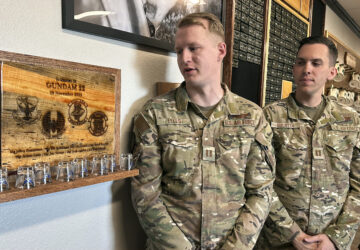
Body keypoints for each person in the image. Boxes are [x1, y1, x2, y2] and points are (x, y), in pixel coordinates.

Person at [131, 12, 275, 249]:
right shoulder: (154, 114)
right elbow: (145, 195)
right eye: (179, 51)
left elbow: (261, 192)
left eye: (194, 48)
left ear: (221, 51)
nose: (184, 58)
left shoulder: (252, 117)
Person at [256, 36, 360, 250]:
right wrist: (292, 233)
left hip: (331, 242)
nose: (307, 69)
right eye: (301, 62)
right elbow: (259, 182)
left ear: (332, 72)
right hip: (278, 241)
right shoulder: (270, 116)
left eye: (316, 63)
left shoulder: (350, 120)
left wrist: (335, 238)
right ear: (294, 68)